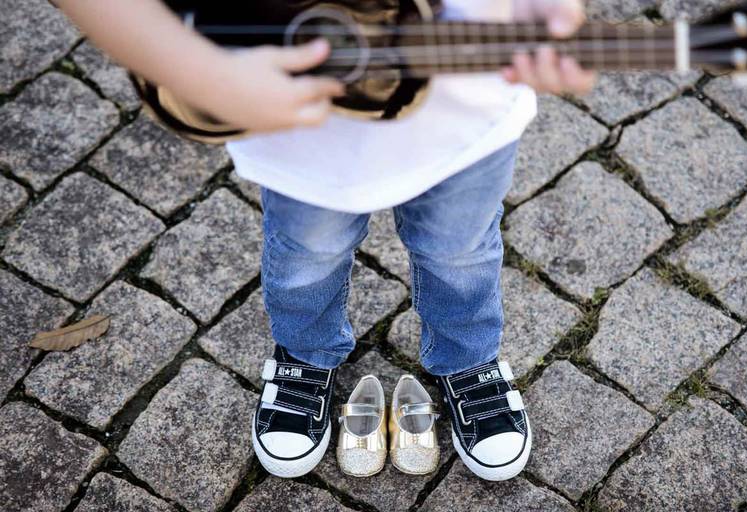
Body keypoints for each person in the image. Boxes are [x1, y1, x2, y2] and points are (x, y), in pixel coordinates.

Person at [57, 0, 595, 481]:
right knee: (306, 254)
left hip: (470, 107)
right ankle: (305, 352)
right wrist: (201, 72)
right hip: (302, 124)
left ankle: (467, 357)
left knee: (462, 251)